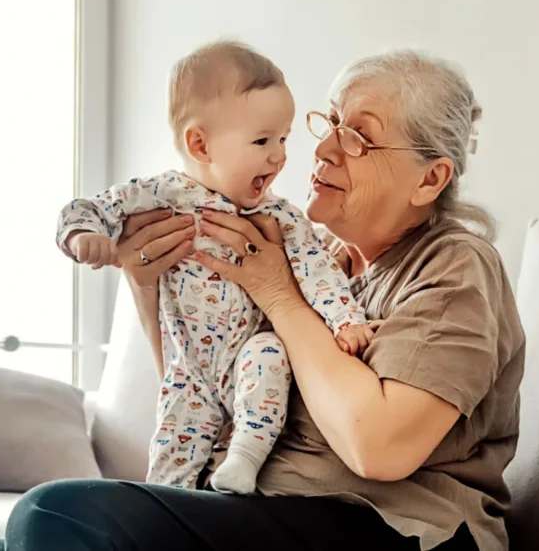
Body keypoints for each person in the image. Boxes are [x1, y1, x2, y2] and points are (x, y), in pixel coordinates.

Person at [0, 49, 524, 551]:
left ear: (430, 180)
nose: (324, 148)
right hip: (261, 507)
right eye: (329, 122)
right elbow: (212, 390)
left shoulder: (454, 264)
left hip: (390, 529)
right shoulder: (320, 260)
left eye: (359, 136)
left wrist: (277, 293)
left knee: (58, 512)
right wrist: (144, 282)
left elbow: (377, 448)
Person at [55, 40, 374, 495]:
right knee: (168, 469)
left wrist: (346, 318)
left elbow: (317, 269)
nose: (279, 155)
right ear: (200, 144)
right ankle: (163, 510)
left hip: (248, 355)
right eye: (263, 141)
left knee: (270, 354)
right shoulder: (161, 194)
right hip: (189, 368)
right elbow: (88, 207)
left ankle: (244, 457)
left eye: (283, 139)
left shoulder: (276, 216)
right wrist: (83, 237)